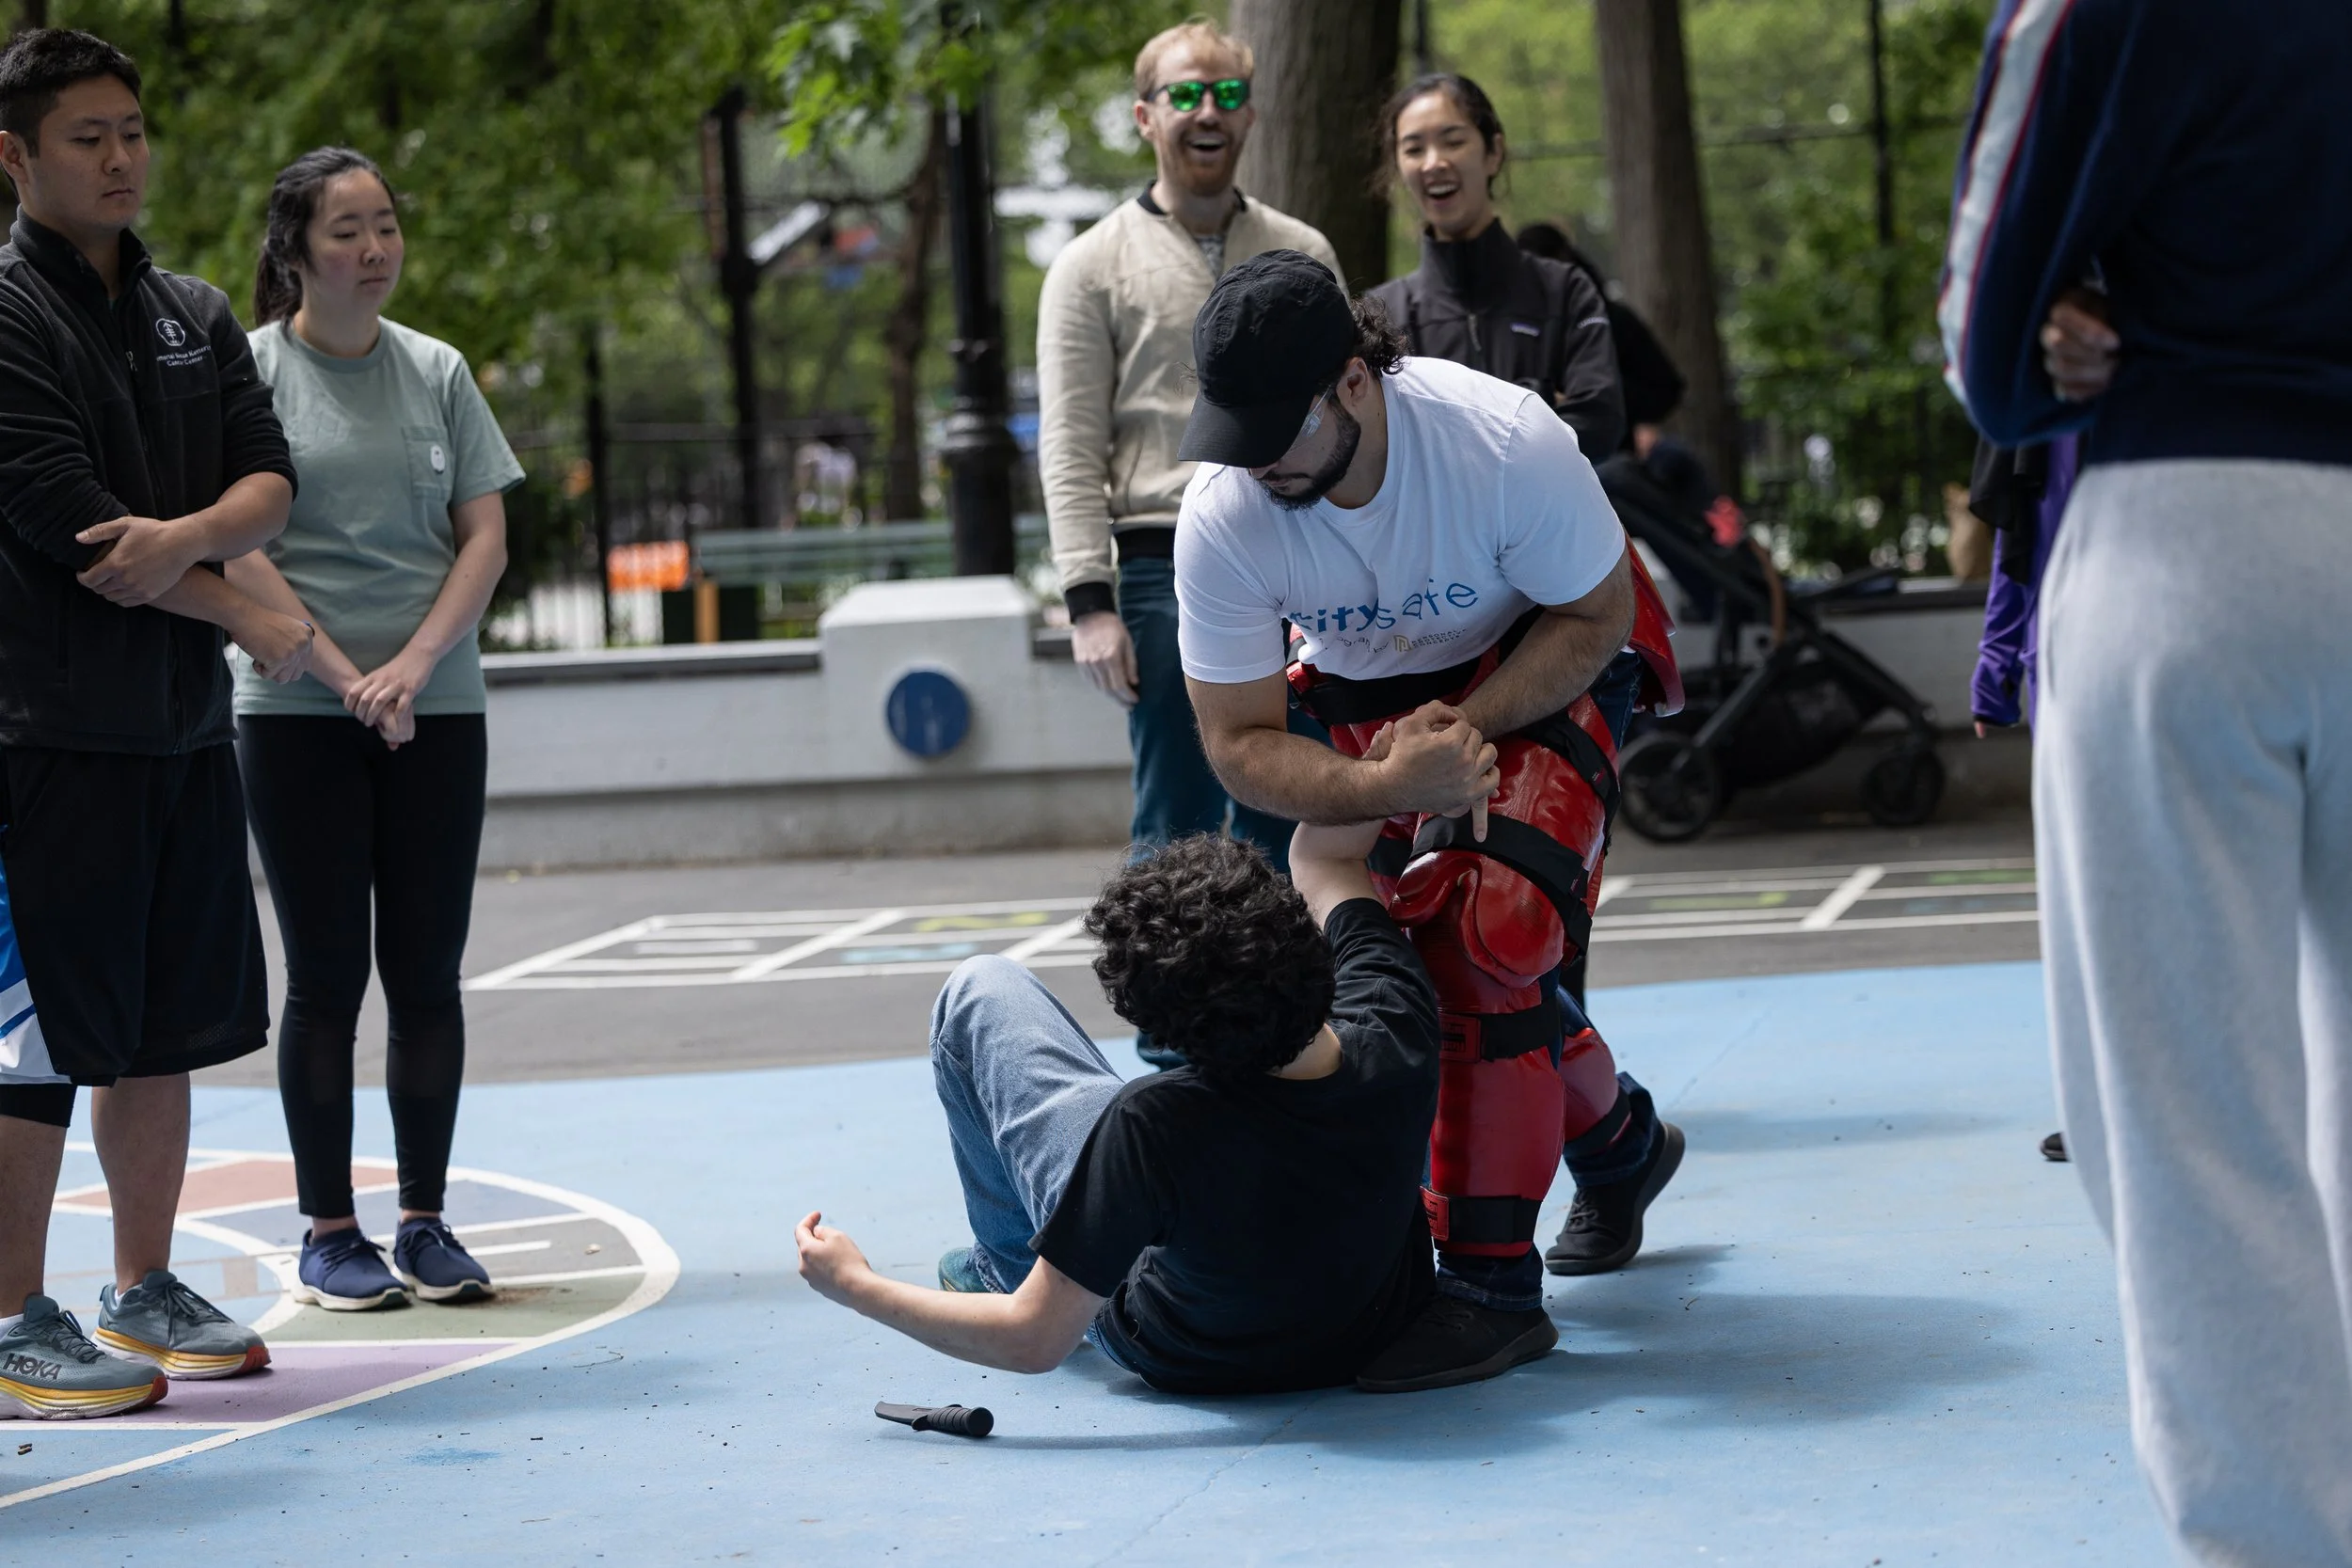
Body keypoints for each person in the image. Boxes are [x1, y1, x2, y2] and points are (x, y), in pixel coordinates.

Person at [1942, 1, 2352, 1560]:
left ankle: (2275, 1536)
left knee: (2187, 1107)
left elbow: (1988, 340)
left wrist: (2059, 342)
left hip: (2192, 537)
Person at [1173, 252, 1688, 1387]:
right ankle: (1621, 1142)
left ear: (1354, 381)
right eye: (1234, 431)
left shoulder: (1502, 441)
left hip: (1541, 656)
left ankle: (1491, 1289)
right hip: (1370, 705)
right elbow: (1237, 740)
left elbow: (1598, 611)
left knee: (1481, 927)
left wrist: (1464, 734)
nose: (1253, 459)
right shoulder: (1224, 513)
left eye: (1277, 429)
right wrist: (1380, 787)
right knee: (1417, 971)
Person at [0, 29, 307, 1417]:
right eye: (86, 136)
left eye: (131, 130)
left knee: (163, 1029)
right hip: (45, 734)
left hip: (179, 731)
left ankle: (142, 1284)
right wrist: (249, 612)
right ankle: (10, 1317)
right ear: (14, 155)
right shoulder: (5, 314)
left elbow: (267, 480)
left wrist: (195, 538)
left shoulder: (188, 307)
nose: (120, 156)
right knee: (36, 1040)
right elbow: (76, 533)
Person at [798, 817, 1534, 1394]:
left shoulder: (1153, 1125)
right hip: (1367, 1332)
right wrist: (1413, 757)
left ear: (1165, 1031)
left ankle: (1008, 1262)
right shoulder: (1398, 1019)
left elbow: (1033, 1338)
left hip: (1186, 1356)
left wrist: (857, 1284)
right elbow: (1326, 856)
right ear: (1302, 935)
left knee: (978, 989)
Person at [224, 148, 523, 1312]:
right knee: (326, 978)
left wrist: (410, 668)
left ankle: (425, 1218)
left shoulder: (439, 370)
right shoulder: (247, 373)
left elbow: (484, 539)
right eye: (347, 230)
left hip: (435, 707)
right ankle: (329, 1228)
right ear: (295, 250)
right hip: (296, 711)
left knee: (428, 975)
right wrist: (348, 675)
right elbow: (240, 550)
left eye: (386, 225)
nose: (374, 248)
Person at [1036, 19, 1339, 879]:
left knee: (1302, 808)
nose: (1209, 110)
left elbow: (1350, 407)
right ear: (1145, 116)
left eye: (1229, 94)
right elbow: (1068, 442)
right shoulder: (1088, 267)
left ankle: (1302, 1015)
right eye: (1186, 93)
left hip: (1298, 560)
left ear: (1249, 119)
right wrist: (1089, 601)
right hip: (1158, 566)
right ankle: (1169, 1020)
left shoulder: (1302, 251)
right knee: (1180, 822)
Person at [1365, 74, 1623, 462]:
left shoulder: (1565, 290)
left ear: (1493, 152)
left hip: (1551, 522)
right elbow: (1380, 450)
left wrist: (1441, 431)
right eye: (1414, 149)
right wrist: (1537, 395)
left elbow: (1598, 424)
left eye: (1453, 141)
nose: (1434, 162)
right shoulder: (1381, 314)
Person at [1517, 218, 1686, 454]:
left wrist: (1593, 393)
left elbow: (1665, 389)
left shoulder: (1609, 320)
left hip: (1609, 456)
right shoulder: (1518, 329)